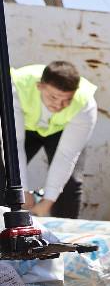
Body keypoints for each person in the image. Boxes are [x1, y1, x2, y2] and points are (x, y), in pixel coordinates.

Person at [10, 62, 98, 218]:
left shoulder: (85, 104)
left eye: (67, 100)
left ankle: (65, 229)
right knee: (4, 173)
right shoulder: (15, 88)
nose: (58, 105)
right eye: (53, 97)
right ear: (40, 86)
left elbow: (66, 155)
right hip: (24, 129)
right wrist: (21, 190)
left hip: (62, 132)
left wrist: (47, 201)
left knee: (70, 184)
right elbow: (13, 145)